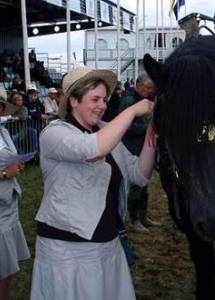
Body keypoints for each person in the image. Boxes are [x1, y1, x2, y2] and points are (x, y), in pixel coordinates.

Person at [30, 67, 156, 300]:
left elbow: (139, 174)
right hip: (67, 249)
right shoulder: (54, 133)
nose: (103, 105)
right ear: (74, 101)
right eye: (95, 99)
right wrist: (131, 112)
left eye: (104, 99)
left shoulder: (106, 131)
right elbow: (92, 149)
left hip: (108, 242)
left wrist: (152, 130)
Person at [118, 73, 161, 233]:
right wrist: (148, 128)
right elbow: (125, 126)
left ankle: (143, 217)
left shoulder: (145, 101)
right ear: (140, 86)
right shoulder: (129, 101)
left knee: (145, 184)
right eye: (148, 88)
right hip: (133, 148)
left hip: (143, 147)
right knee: (136, 186)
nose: (150, 91)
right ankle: (134, 220)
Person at [0, 87, 30, 300]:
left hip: (9, 204)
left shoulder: (4, 131)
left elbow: (10, 157)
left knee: (7, 267)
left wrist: (17, 165)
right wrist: (3, 173)